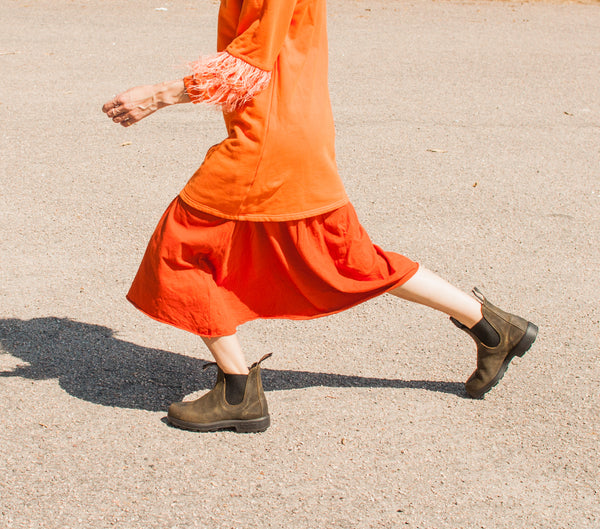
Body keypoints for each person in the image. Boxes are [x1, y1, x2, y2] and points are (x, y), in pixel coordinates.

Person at [102, 0, 537, 433]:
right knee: (354, 261)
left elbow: (246, 63)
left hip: (265, 145)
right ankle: (493, 328)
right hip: (299, 134)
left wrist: (158, 96)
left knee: (178, 249)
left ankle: (238, 393)